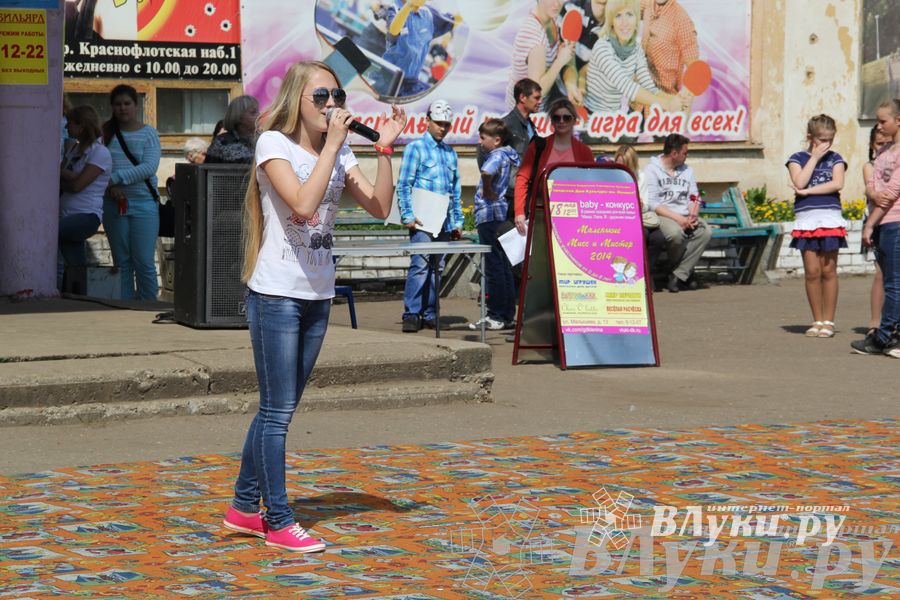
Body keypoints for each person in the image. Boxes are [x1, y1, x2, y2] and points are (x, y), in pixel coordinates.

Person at [224, 60, 406, 551]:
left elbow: (380, 206)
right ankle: (278, 520)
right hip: (277, 292)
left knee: (276, 409)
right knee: (278, 412)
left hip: (318, 293)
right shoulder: (273, 145)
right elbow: (302, 205)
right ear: (297, 102)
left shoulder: (340, 149)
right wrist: (332, 147)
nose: (332, 106)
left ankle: (242, 507)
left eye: (337, 97)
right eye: (321, 98)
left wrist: (383, 149)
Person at [397, 99, 464, 332]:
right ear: (427, 121)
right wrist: (408, 216)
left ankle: (430, 312)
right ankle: (412, 313)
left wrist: (457, 222)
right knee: (420, 266)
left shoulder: (450, 153)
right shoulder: (415, 148)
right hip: (422, 221)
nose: (442, 128)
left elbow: (455, 191)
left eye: (446, 124)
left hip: (443, 222)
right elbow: (404, 184)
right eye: (438, 123)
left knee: (438, 267)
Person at [785, 114, 847, 338]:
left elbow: (837, 183)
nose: (826, 145)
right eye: (821, 139)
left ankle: (829, 321)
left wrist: (808, 191)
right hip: (806, 218)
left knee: (828, 270)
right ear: (810, 137)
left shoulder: (836, 158)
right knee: (812, 271)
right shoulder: (797, 158)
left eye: (829, 139)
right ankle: (817, 320)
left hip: (830, 216)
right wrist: (813, 158)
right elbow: (799, 181)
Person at [102, 84, 161, 300]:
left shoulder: (149, 133)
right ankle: (125, 306)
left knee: (144, 260)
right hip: (113, 204)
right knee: (122, 261)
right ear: (112, 107)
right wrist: (111, 187)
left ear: (136, 105)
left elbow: (149, 167)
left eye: (127, 103)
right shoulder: (106, 133)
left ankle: (149, 304)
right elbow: (99, 165)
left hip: (144, 204)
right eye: (117, 104)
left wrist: (114, 179)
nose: (122, 108)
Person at [852, 99, 900, 358]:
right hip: (882, 221)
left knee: (894, 283)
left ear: (898, 120)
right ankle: (889, 336)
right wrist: (871, 191)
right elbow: (872, 181)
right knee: (891, 280)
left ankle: (885, 338)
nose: (878, 127)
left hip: (894, 221)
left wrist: (869, 224)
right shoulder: (885, 152)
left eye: (883, 121)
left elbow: (892, 192)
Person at [583, 0, 682, 114]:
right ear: (611, 21)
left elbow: (649, 87)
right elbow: (626, 86)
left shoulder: (636, 50)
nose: (625, 22)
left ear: (636, 20)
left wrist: (675, 100)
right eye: (618, 16)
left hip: (613, 117)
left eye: (630, 14)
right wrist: (666, 104)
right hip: (591, 117)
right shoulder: (602, 48)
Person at [514, 98, 594, 235]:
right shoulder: (538, 146)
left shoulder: (584, 151)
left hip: (575, 216)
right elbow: (522, 178)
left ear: (574, 120)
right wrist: (519, 212)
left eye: (566, 118)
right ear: (552, 121)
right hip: (541, 214)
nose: (561, 121)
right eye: (557, 118)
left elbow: (592, 186)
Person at [468, 119, 520, 330]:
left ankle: (495, 315)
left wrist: (488, 190)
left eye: (483, 138)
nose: (480, 142)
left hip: (489, 214)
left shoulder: (497, 155)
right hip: (499, 214)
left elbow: (486, 171)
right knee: (503, 266)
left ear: (496, 140)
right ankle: (506, 314)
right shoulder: (509, 154)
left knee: (493, 267)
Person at [643, 133, 711, 292]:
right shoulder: (651, 170)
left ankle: (677, 275)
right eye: (684, 153)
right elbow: (653, 203)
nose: (687, 156)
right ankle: (685, 275)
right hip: (664, 215)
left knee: (705, 232)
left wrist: (693, 211)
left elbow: (693, 195)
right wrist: (680, 219)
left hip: (686, 215)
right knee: (675, 234)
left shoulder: (687, 171)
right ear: (674, 154)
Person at [58, 105, 112, 289]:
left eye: (70, 123)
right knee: (75, 264)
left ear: (81, 126)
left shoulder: (99, 152)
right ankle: (76, 294)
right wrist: (67, 175)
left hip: (86, 215)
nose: (66, 128)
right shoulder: (74, 148)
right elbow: (60, 178)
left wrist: (63, 175)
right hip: (66, 212)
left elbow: (76, 186)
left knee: (51, 231)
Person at [478, 78, 542, 218]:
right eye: (536, 97)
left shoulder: (530, 125)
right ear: (522, 98)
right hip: (508, 198)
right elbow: (483, 151)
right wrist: (490, 189)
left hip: (523, 194)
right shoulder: (507, 124)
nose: (540, 101)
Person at [376, 0, 460, 97]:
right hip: (389, 78)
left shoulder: (429, 13)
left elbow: (453, 20)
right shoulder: (395, 8)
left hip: (411, 83)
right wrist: (409, 5)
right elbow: (394, 31)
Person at [505, 0, 575, 110]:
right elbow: (537, 92)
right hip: (524, 112)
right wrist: (560, 61)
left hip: (542, 107)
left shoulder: (551, 17)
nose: (557, 4)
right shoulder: (534, 38)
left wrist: (558, 54)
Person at [613, 144, 665, 287]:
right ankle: (637, 275)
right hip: (620, 219)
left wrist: (640, 205)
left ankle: (647, 272)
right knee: (643, 234)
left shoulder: (641, 177)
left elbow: (647, 204)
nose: (622, 170)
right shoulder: (611, 177)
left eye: (625, 166)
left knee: (658, 238)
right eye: (619, 165)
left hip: (640, 217)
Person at [862, 125, 889, 336]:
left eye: (887, 143)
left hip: (893, 219)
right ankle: (875, 322)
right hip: (878, 221)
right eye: (879, 144)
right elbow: (875, 192)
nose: (883, 147)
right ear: (873, 145)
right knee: (880, 273)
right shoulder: (870, 166)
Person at [639, 0, 699, 97]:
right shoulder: (647, 3)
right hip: (638, 101)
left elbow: (695, 68)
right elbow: (623, 8)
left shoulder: (682, 20)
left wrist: (684, 101)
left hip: (664, 103)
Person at [205, 95, 259, 164]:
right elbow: (208, 171)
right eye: (253, 112)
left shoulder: (265, 138)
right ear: (239, 117)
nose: (259, 115)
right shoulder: (221, 142)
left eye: (258, 111)